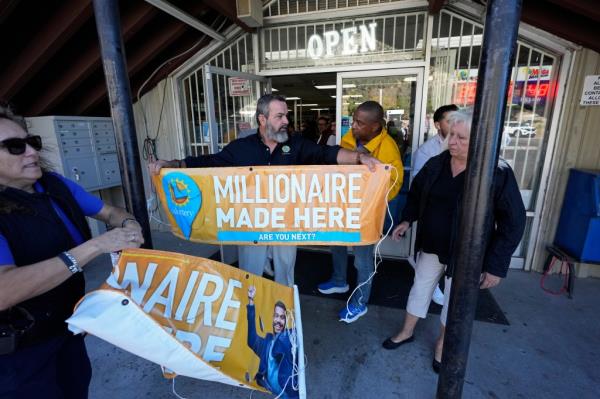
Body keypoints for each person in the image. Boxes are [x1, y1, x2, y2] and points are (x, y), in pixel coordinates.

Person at [148, 94, 380, 287]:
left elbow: (328, 154)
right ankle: (254, 315)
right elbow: (210, 162)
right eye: (279, 116)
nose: (286, 120)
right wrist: (175, 164)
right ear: (262, 119)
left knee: (285, 277)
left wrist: (359, 157)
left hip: (286, 224)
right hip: (250, 225)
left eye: (286, 115)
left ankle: (285, 318)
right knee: (251, 277)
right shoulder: (242, 148)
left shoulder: (296, 144)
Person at [0, 107, 144, 398]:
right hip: (20, 355)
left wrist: (129, 225)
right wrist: (94, 247)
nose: (31, 153)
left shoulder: (54, 185)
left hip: (68, 328)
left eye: (32, 142)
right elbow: (4, 289)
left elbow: (110, 211)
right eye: (15, 147)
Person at [381, 111, 526, 375]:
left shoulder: (496, 172)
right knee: (419, 288)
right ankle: (406, 331)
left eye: (461, 137)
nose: (453, 142)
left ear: (481, 141)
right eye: (451, 135)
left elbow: (513, 223)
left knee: (454, 301)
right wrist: (406, 220)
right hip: (432, 245)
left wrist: (496, 265)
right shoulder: (437, 163)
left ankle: (442, 344)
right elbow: (416, 195)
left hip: (467, 254)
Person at [317, 101, 404, 323]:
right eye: (354, 120)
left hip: (366, 213)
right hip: (342, 207)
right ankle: (339, 280)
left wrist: (367, 196)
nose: (353, 126)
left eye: (359, 123)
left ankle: (360, 303)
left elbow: (393, 185)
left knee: (362, 261)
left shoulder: (388, 149)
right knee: (336, 243)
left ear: (375, 126)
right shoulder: (348, 140)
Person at [410, 104, 459, 306]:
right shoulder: (428, 152)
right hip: (434, 219)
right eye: (449, 121)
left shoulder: (469, 153)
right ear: (438, 125)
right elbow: (418, 188)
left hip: (456, 222)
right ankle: (434, 289)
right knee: (427, 265)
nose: (454, 125)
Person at [246, 285, 297, 398]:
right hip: (276, 394)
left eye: (282, 317)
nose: (278, 320)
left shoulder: (288, 338)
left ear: (286, 320)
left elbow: (291, 337)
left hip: (291, 394)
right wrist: (251, 302)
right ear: (272, 317)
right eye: (276, 316)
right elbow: (251, 340)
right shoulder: (267, 343)